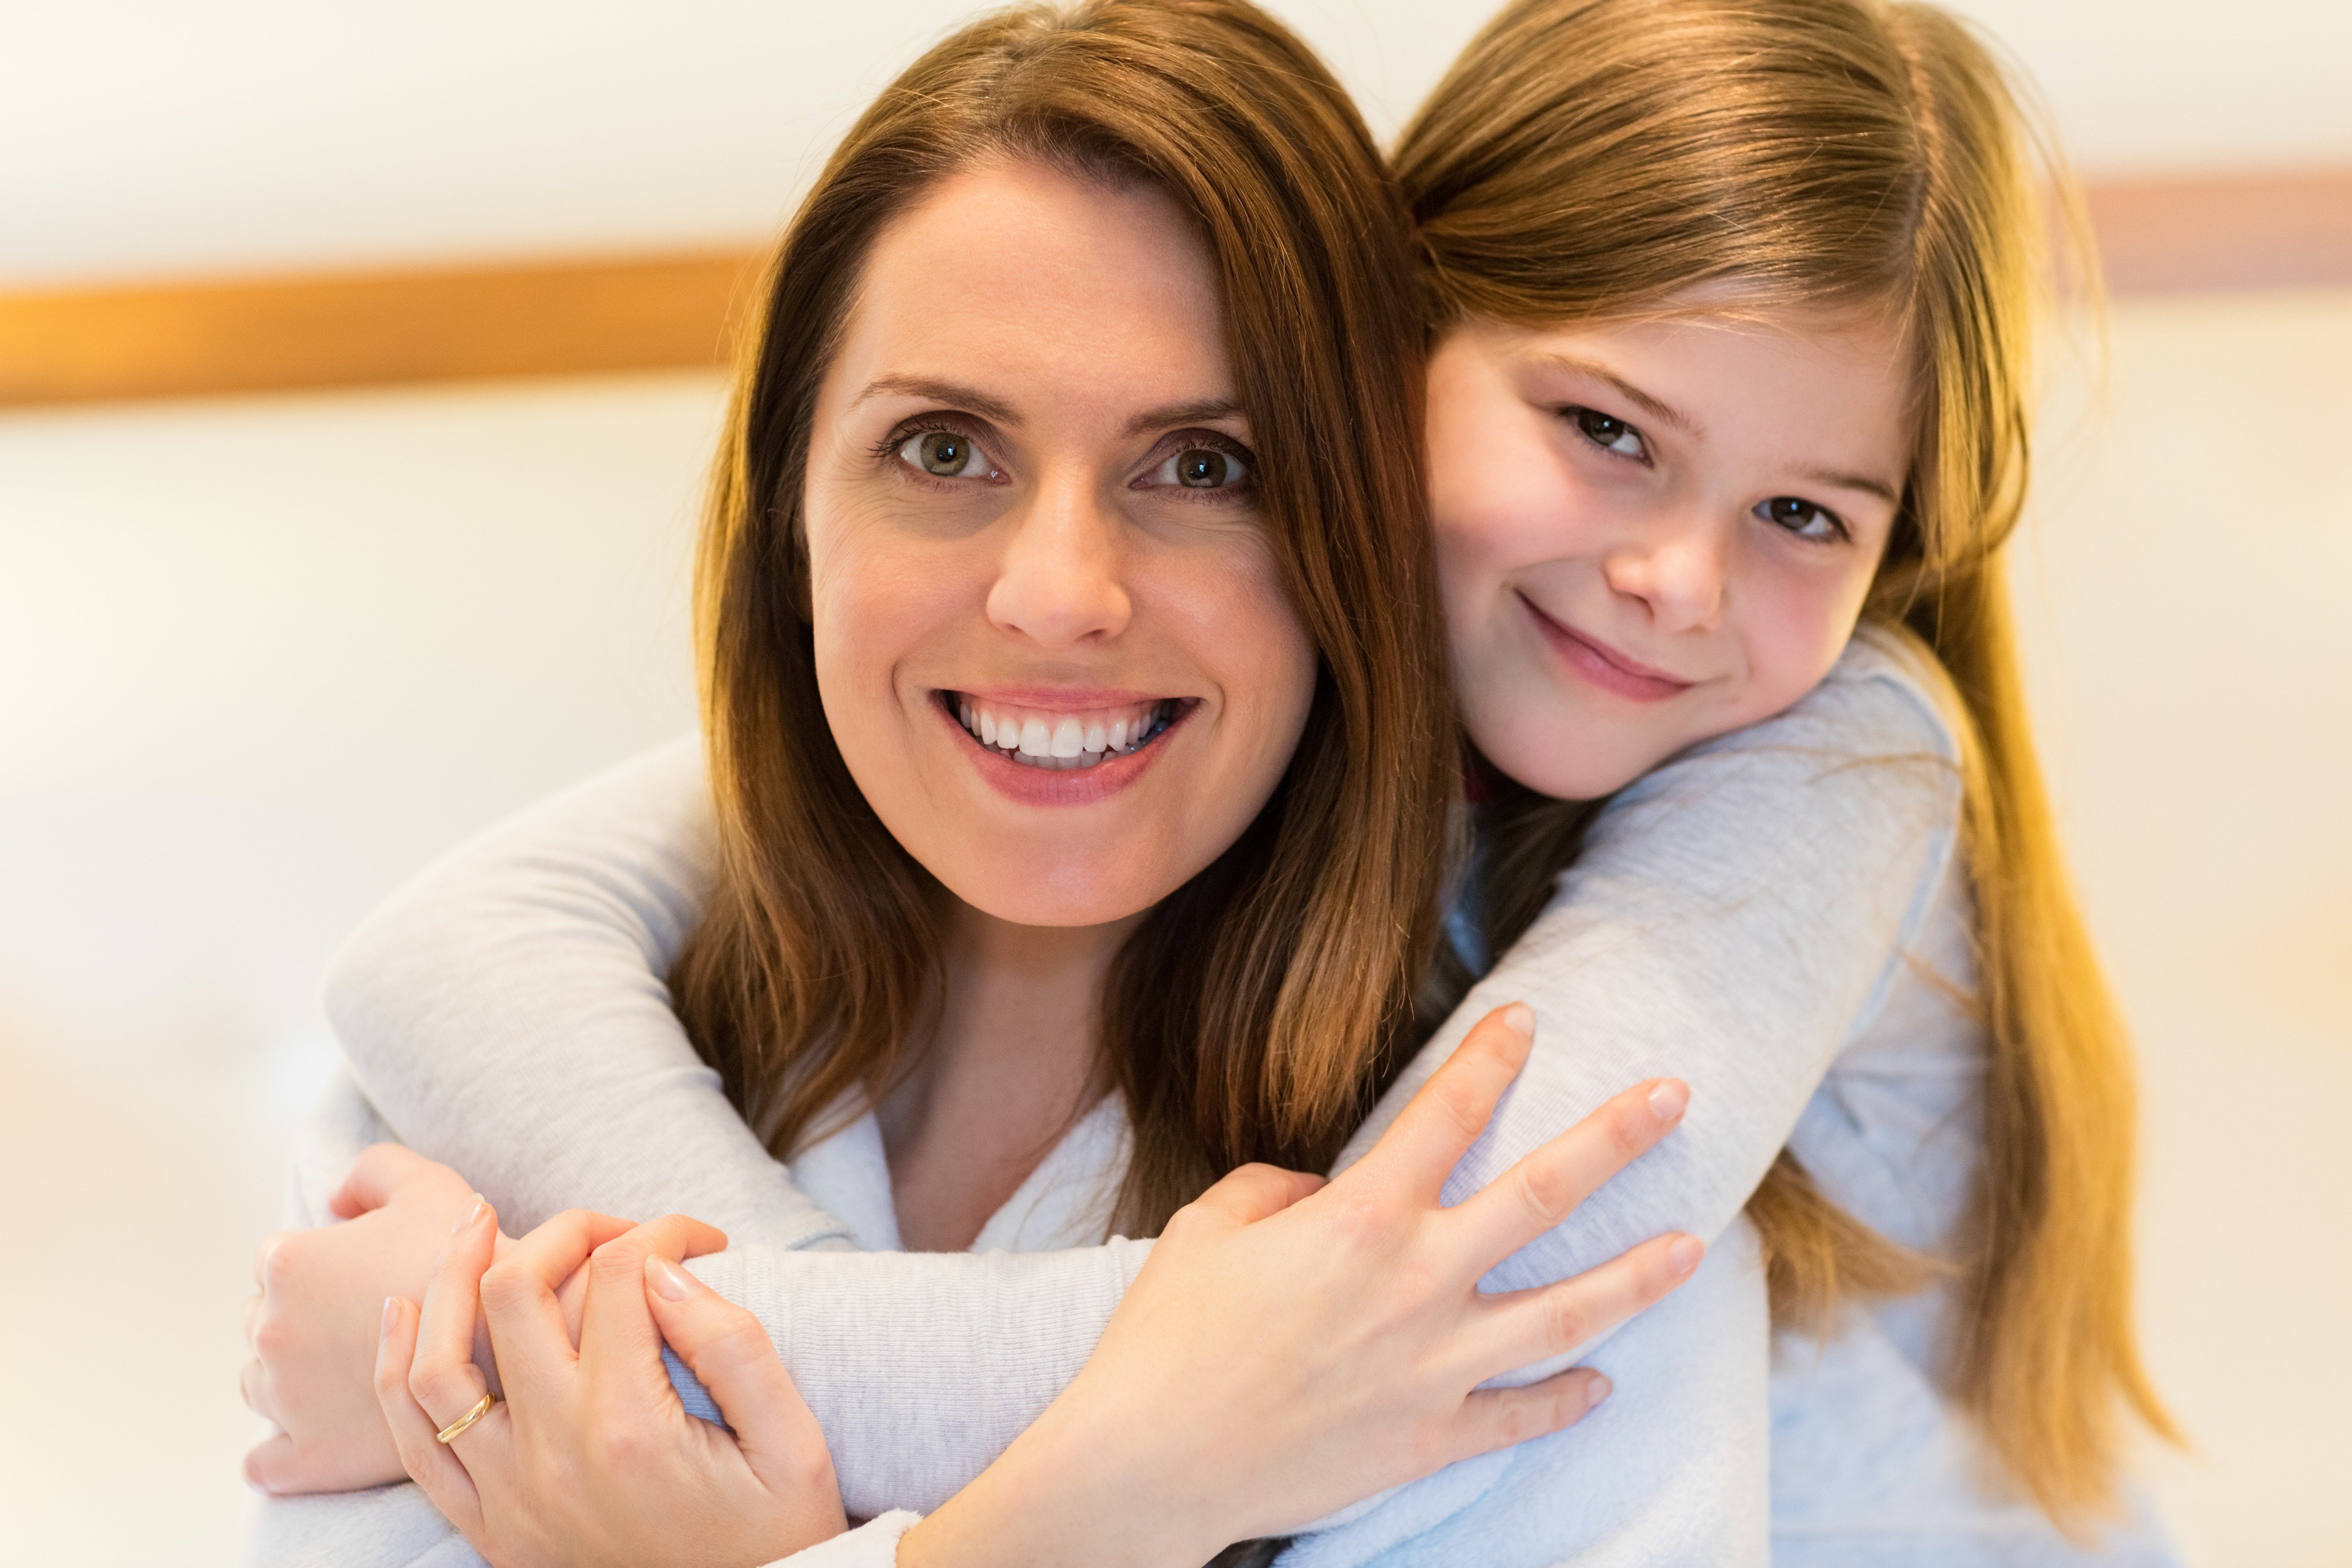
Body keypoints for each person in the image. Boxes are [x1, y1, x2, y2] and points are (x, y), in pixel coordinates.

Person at [249, 0, 2184, 1560]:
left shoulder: (1833, 748)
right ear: (1390, 363)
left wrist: (528, 1357)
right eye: (1605, 429)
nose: (1679, 577)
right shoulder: (1099, 746)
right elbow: (449, 941)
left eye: (1801, 512)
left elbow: (1411, 1308)